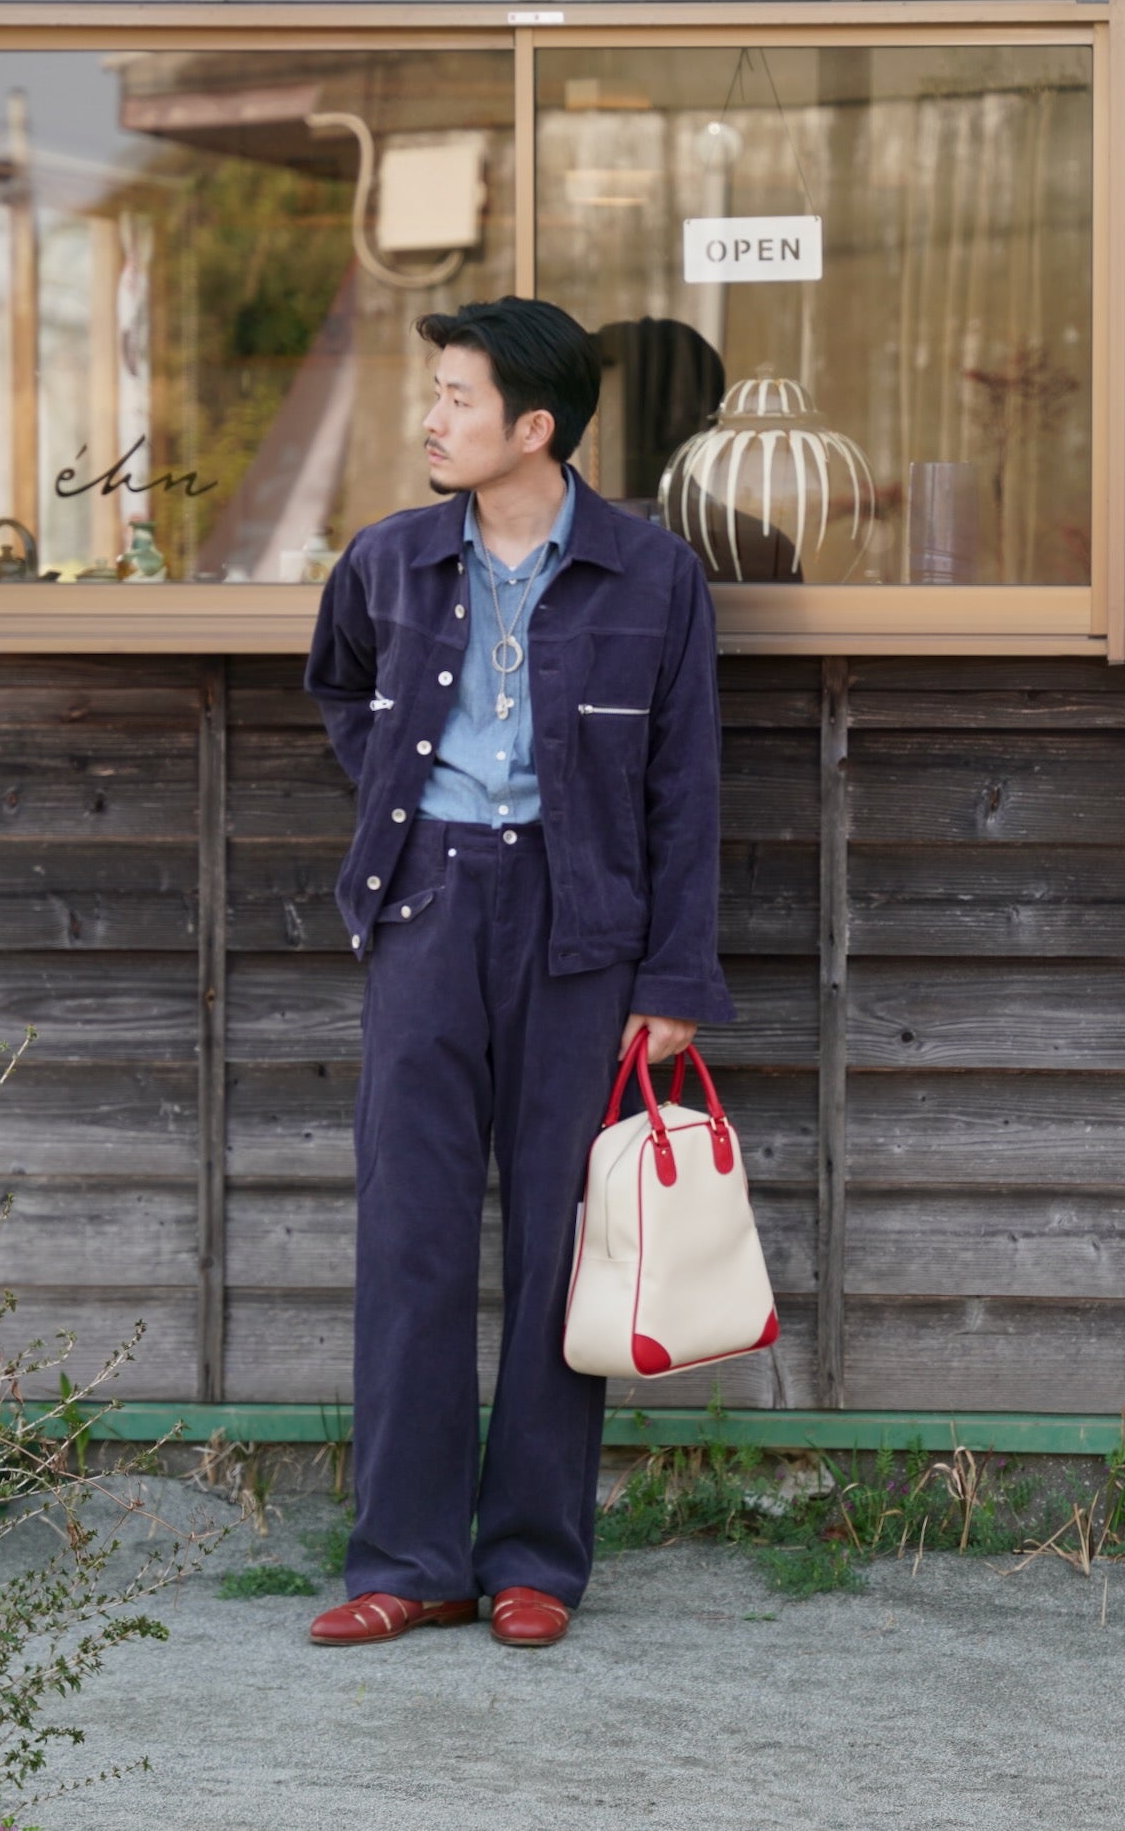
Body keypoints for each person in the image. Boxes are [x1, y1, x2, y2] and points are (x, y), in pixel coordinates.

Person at [301, 296, 734, 1650]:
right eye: (434, 395)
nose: (432, 419)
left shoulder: (651, 577)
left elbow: (687, 787)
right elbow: (341, 687)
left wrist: (672, 976)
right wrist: (401, 798)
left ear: (532, 427)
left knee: (562, 1241)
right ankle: (408, 1557)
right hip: (427, 907)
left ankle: (535, 1558)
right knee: (412, 1234)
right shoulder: (388, 562)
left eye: (459, 399)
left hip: (582, 926)